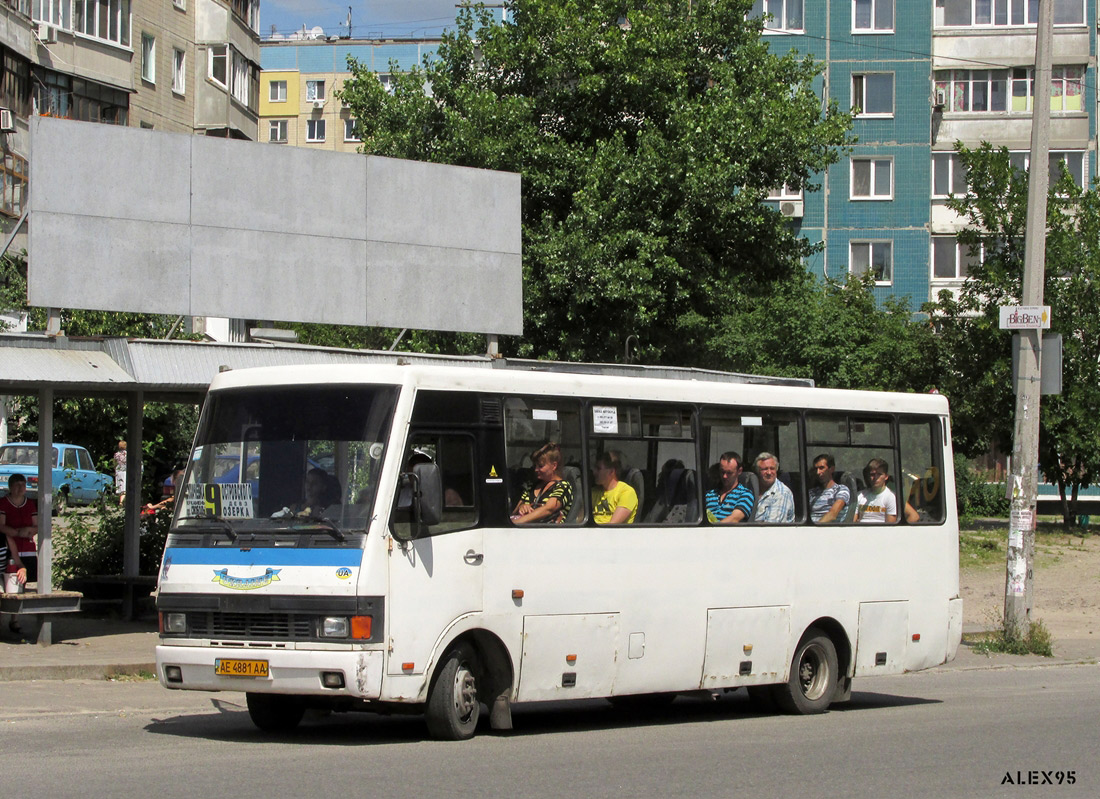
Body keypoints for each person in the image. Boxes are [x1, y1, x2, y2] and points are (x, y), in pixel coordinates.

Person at [511, 442, 573, 524]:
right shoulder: (532, 486)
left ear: (554, 466)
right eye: (535, 466)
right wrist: (522, 507)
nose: (536, 469)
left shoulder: (563, 486)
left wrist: (517, 522)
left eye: (540, 466)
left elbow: (548, 509)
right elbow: (514, 511)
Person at [0, 474, 38, 597]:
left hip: (27, 548)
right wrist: (16, 532)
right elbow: (2, 525)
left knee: (22, 581)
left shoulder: (30, 504)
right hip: (9, 546)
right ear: (10, 487)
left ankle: (16, 613)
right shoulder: (3, 503)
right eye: (17, 485)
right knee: (8, 581)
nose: (20, 488)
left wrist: (28, 530)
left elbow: (37, 526)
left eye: (23, 485)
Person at [705, 451, 754, 524]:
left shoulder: (745, 494)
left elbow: (734, 519)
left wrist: (714, 530)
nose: (725, 476)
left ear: (739, 471)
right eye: (722, 472)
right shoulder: (709, 494)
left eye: (729, 473)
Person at [591, 452, 638, 524]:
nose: (594, 472)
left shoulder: (626, 492)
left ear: (611, 471)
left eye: (598, 468)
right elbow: (579, 520)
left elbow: (612, 526)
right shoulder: (593, 492)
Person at [752, 451, 795, 523]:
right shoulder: (752, 489)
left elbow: (772, 527)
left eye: (772, 468)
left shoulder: (781, 493)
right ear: (757, 471)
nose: (769, 473)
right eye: (765, 469)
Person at [808, 453, 850, 523]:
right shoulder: (812, 493)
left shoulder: (841, 490)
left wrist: (815, 529)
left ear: (831, 469)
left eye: (821, 468)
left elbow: (832, 515)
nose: (818, 472)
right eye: (816, 469)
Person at [855, 458, 898, 523]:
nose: (875, 478)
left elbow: (890, 527)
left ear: (886, 477)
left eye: (879, 474)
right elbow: (853, 522)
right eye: (872, 474)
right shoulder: (859, 496)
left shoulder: (890, 497)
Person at [114, 440, 127, 506]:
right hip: (124, 471)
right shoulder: (126, 454)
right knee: (124, 488)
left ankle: (121, 500)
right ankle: (121, 502)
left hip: (118, 471)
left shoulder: (116, 454)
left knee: (120, 487)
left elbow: (115, 463)